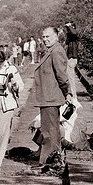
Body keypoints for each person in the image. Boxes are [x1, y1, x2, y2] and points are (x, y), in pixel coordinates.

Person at [34, 27, 72, 165]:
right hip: (47, 96)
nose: (45, 39)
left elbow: (62, 75)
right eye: (43, 37)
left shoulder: (56, 52)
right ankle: (54, 158)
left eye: (48, 37)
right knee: (51, 129)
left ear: (56, 36)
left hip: (51, 96)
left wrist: (67, 92)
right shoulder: (51, 51)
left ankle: (48, 161)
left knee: (49, 131)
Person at [64, 21, 78, 99]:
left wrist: (69, 26)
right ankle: (73, 95)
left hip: (72, 58)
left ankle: (74, 97)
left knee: (71, 79)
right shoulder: (70, 38)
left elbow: (74, 32)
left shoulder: (74, 36)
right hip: (69, 58)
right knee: (69, 78)